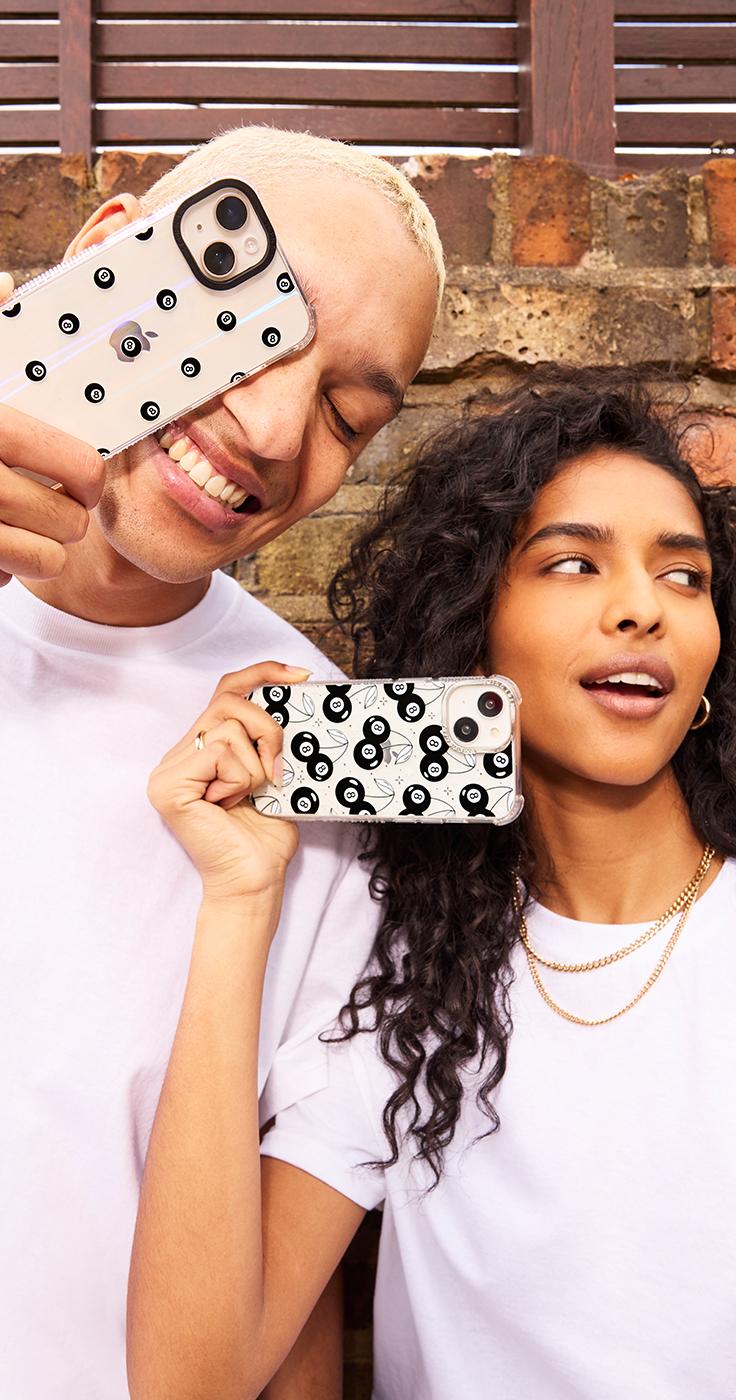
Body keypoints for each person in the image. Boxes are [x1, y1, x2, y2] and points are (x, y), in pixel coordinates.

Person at [128, 370, 736, 1400]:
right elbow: (195, 1375)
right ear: (471, 624)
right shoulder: (409, 981)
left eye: (685, 577)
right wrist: (240, 897)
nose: (643, 608)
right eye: (574, 562)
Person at [0, 124, 443, 1400]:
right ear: (106, 253)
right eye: (247, 316)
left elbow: (274, 1334)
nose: (265, 423)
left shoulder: (322, 770)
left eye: (346, 413)